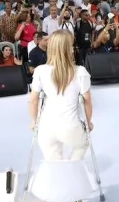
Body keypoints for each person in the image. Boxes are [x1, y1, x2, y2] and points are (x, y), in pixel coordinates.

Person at [28, 30, 94, 161]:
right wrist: (88, 122)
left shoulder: (40, 71)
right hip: (71, 127)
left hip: (46, 128)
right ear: (68, 49)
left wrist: (34, 121)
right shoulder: (80, 72)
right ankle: (73, 165)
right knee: (82, 144)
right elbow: (87, 101)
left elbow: (34, 100)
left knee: (53, 161)